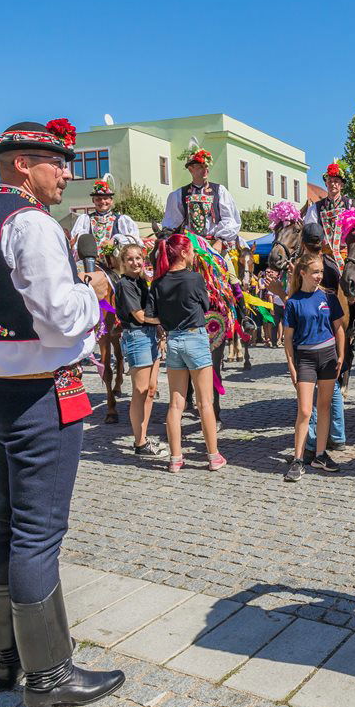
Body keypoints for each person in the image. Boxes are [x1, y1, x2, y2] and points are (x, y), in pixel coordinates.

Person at [0, 119, 123, 707]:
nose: (66, 174)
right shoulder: (31, 223)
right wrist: (93, 290)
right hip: (38, 392)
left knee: (8, 522)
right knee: (38, 531)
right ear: (22, 164)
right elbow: (59, 317)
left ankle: (10, 658)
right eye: (56, 163)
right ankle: (49, 676)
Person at [148, 233, 225, 473]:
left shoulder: (158, 283)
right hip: (195, 338)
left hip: (173, 341)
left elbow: (152, 314)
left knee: (175, 404)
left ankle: (175, 459)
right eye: (191, 250)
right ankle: (213, 456)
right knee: (205, 403)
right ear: (183, 253)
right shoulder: (194, 279)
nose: (193, 254)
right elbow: (205, 305)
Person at [283, 252, 346, 482]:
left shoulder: (329, 297)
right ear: (302, 273)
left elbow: (339, 328)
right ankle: (298, 459)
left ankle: (320, 455)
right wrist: (291, 366)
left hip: (328, 356)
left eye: (321, 272)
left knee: (325, 406)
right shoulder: (293, 302)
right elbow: (288, 339)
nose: (319, 276)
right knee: (305, 411)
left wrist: (341, 355)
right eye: (315, 272)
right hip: (306, 359)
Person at [299, 222, 347, 453]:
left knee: (312, 392)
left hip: (313, 331)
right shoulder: (333, 264)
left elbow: (299, 298)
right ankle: (337, 435)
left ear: (303, 243)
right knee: (332, 387)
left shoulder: (304, 266)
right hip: (333, 330)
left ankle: (311, 440)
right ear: (323, 242)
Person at [113, 244, 162, 456]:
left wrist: (158, 328)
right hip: (137, 336)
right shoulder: (125, 284)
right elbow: (140, 316)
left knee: (150, 390)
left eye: (138, 258)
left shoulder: (141, 281)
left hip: (150, 335)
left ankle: (144, 436)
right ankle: (139, 443)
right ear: (123, 263)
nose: (135, 262)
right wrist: (166, 320)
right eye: (130, 259)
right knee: (140, 391)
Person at [161, 147, 241, 249]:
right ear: (191, 169)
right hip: (189, 246)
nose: (205, 170)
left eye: (206, 166)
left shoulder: (220, 191)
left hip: (216, 245)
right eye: (200, 167)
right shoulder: (179, 194)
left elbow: (230, 218)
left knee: (232, 260)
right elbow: (173, 223)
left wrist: (221, 240)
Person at [70, 178, 142, 255]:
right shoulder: (85, 220)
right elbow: (77, 242)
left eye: (105, 198)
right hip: (92, 260)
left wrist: (115, 241)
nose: (102, 201)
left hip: (116, 261)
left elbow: (133, 241)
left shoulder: (122, 220)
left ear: (111, 200)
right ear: (93, 201)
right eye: (98, 199)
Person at [303, 160, 355, 256]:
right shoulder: (316, 208)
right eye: (330, 181)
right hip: (324, 254)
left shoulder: (350, 204)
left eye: (336, 181)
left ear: (342, 185)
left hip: (347, 254)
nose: (332, 184)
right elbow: (310, 230)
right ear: (326, 184)